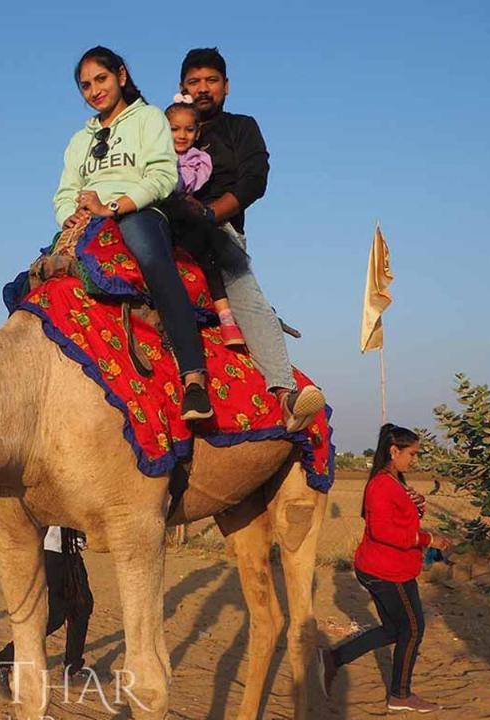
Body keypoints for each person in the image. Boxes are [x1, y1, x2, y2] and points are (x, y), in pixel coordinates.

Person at [53, 46, 213, 421]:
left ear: (121, 76)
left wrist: (113, 207)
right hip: (87, 220)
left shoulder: (150, 119)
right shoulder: (80, 140)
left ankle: (194, 378)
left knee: (154, 262)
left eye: (101, 79)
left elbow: (162, 176)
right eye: (85, 85)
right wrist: (70, 217)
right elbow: (64, 192)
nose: (94, 91)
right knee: (39, 280)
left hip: (137, 212)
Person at [175, 47, 325, 432]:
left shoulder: (241, 127)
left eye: (211, 81)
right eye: (194, 82)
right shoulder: (167, 127)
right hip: (167, 221)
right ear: (182, 88)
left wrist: (208, 214)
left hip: (217, 228)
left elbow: (254, 180)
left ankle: (285, 395)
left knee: (243, 290)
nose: (203, 88)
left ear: (226, 86)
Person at [318, 424, 452, 712]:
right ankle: (400, 695)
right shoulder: (381, 484)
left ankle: (332, 660)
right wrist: (429, 539)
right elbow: (383, 532)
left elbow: (401, 518)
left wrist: (418, 505)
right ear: (394, 451)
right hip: (386, 570)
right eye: (412, 454)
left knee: (394, 629)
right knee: (413, 628)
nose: (415, 460)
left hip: (390, 567)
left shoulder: (395, 480)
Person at [163, 99, 247, 347]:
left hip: (183, 215)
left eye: (189, 130)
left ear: (197, 132)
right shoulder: (154, 155)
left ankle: (226, 317)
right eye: (174, 129)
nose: (182, 135)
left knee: (209, 257)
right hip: (159, 213)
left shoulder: (199, 160)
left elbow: (186, 183)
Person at [0, 527, 95, 699]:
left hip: (69, 550)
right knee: (56, 616)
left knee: (81, 607)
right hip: (52, 549)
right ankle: (0, 661)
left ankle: (73, 669)